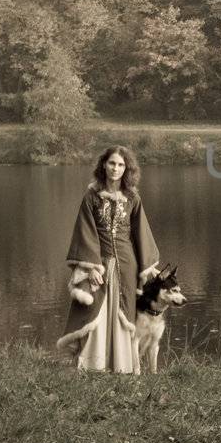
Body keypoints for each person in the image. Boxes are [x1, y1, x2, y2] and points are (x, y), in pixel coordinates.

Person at [56, 146, 161, 373]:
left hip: (126, 265)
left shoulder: (132, 198)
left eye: (121, 165)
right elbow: (84, 231)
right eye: (112, 163)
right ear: (104, 164)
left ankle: (122, 367)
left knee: (123, 312)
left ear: (127, 169)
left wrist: (148, 267)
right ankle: (93, 365)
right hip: (99, 264)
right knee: (96, 311)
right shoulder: (91, 197)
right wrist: (90, 266)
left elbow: (141, 232)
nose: (116, 168)